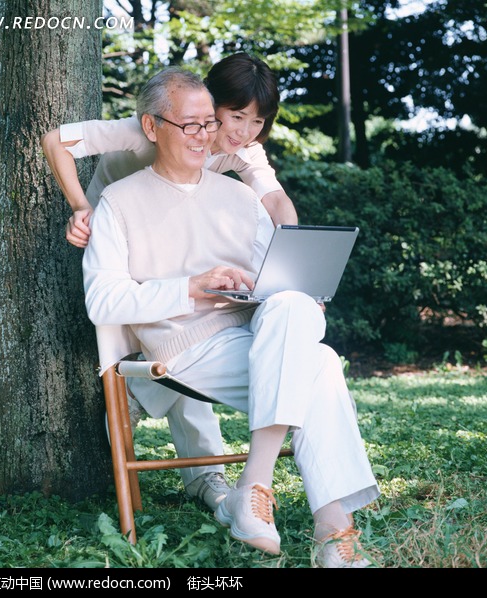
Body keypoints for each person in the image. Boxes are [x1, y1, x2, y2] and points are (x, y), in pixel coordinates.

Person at [82, 67, 380, 568]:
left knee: (294, 303)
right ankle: (334, 538)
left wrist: (293, 292)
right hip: (185, 346)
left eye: (208, 126)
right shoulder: (118, 200)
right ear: (154, 127)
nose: (208, 137)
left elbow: (276, 273)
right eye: (193, 125)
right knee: (322, 366)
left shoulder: (243, 197)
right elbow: (103, 301)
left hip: (250, 335)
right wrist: (191, 287)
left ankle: (257, 489)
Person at [41, 54, 297, 515]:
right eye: (235, 116)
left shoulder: (241, 147)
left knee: (194, 324)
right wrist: (81, 207)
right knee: (168, 329)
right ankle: (202, 473)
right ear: (206, 102)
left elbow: (275, 199)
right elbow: (56, 140)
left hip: (179, 232)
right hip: (123, 229)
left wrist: (292, 258)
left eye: (257, 121)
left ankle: (183, 447)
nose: (242, 131)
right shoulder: (149, 127)